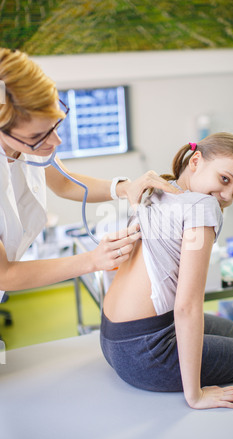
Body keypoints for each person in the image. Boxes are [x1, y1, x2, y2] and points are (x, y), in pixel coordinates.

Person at [101, 132, 233, 410]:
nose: (228, 197)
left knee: (228, 328)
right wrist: (194, 395)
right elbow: (187, 307)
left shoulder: (157, 188)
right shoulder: (203, 206)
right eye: (225, 179)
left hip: (113, 340)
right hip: (146, 353)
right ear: (196, 160)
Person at [0, 47, 180, 302]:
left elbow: (63, 182)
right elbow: (4, 275)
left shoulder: (27, 138)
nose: (56, 141)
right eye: (37, 137)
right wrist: (93, 260)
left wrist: (124, 187)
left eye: (56, 124)